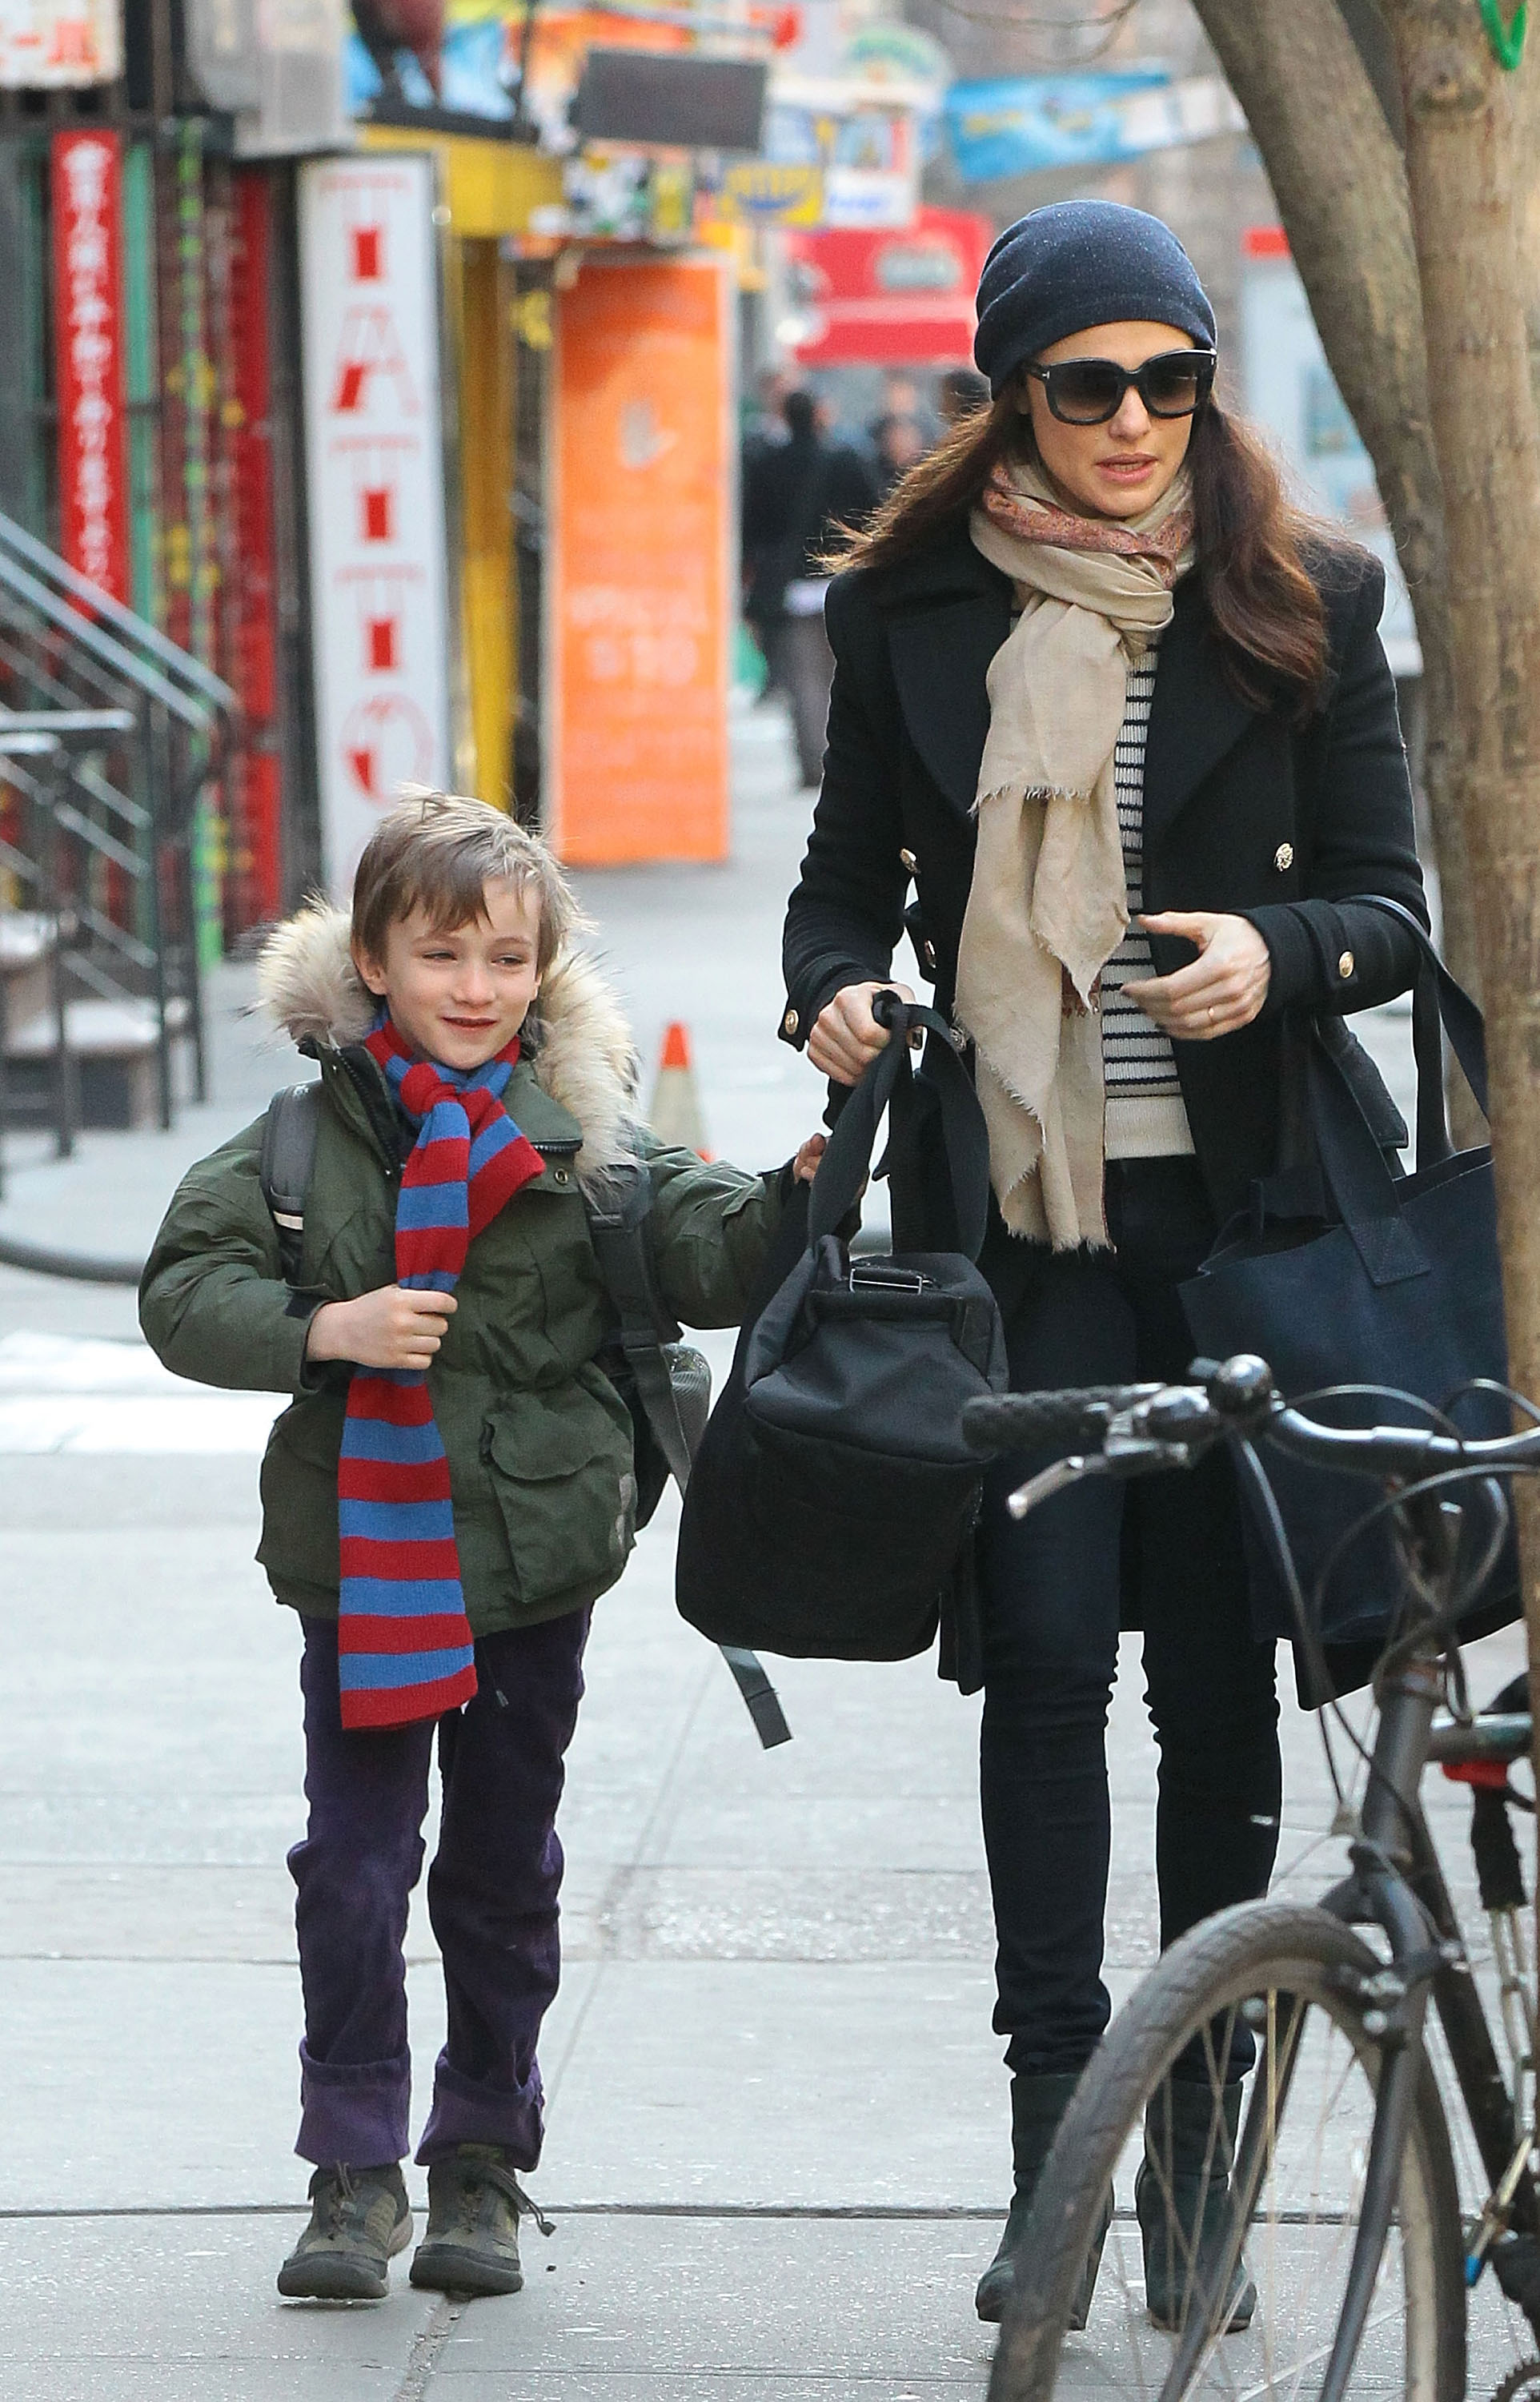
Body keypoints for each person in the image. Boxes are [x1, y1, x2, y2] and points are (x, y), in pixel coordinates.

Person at [777, 201, 1426, 2327]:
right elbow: (830, 899)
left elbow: (1383, 906)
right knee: (1045, 1663)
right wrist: (843, 998)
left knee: (1215, 1688)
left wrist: (1279, 951)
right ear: (1012, 394)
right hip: (1019, 1233)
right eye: (1087, 384)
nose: (1135, 421)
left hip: (1236, 1228)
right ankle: (1058, 2154)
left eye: (1169, 379)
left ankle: (1198, 2160)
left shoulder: (1300, 598)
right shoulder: (908, 612)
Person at [141, 793, 824, 2306]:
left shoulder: (585, 1140)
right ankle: (351, 2169)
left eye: (506, 959)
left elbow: (704, 1247)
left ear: (543, 972)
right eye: (441, 953)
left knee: (502, 1874)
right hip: (360, 1569)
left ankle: (479, 2162)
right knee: (353, 1869)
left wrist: (797, 1192)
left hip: (530, 1568)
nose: (474, 987)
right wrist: (324, 1326)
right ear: (373, 961)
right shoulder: (305, 1139)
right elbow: (183, 1290)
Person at [742, 388, 880, 789]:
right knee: (845, 675)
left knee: (803, 681)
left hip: (794, 587)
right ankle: (846, 762)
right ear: (819, 413)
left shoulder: (767, 463)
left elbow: (754, 528)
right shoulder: (846, 460)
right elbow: (874, 514)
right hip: (844, 580)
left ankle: (812, 764)